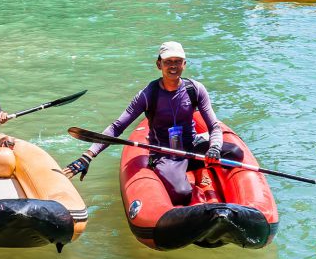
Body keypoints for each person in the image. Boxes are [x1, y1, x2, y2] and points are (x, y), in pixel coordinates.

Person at [62, 42, 243, 206]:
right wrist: (88, 155)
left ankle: (202, 167)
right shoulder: (148, 95)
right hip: (165, 154)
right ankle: (170, 172)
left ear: (184, 64)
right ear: (159, 65)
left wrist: (214, 148)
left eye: (178, 61)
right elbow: (117, 127)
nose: (173, 66)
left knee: (235, 153)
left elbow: (213, 126)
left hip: (191, 147)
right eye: (168, 61)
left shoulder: (195, 89)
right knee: (182, 193)